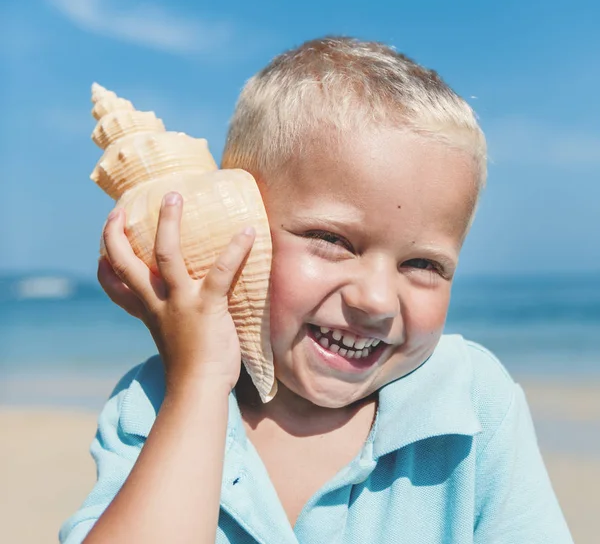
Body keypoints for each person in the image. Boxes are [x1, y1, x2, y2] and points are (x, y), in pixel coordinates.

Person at [59, 36, 572, 543]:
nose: (374, 299)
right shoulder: (153, 404)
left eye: (423, 264)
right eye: (332, 240)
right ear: (247, 221)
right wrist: (199, 382)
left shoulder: (470, 402)